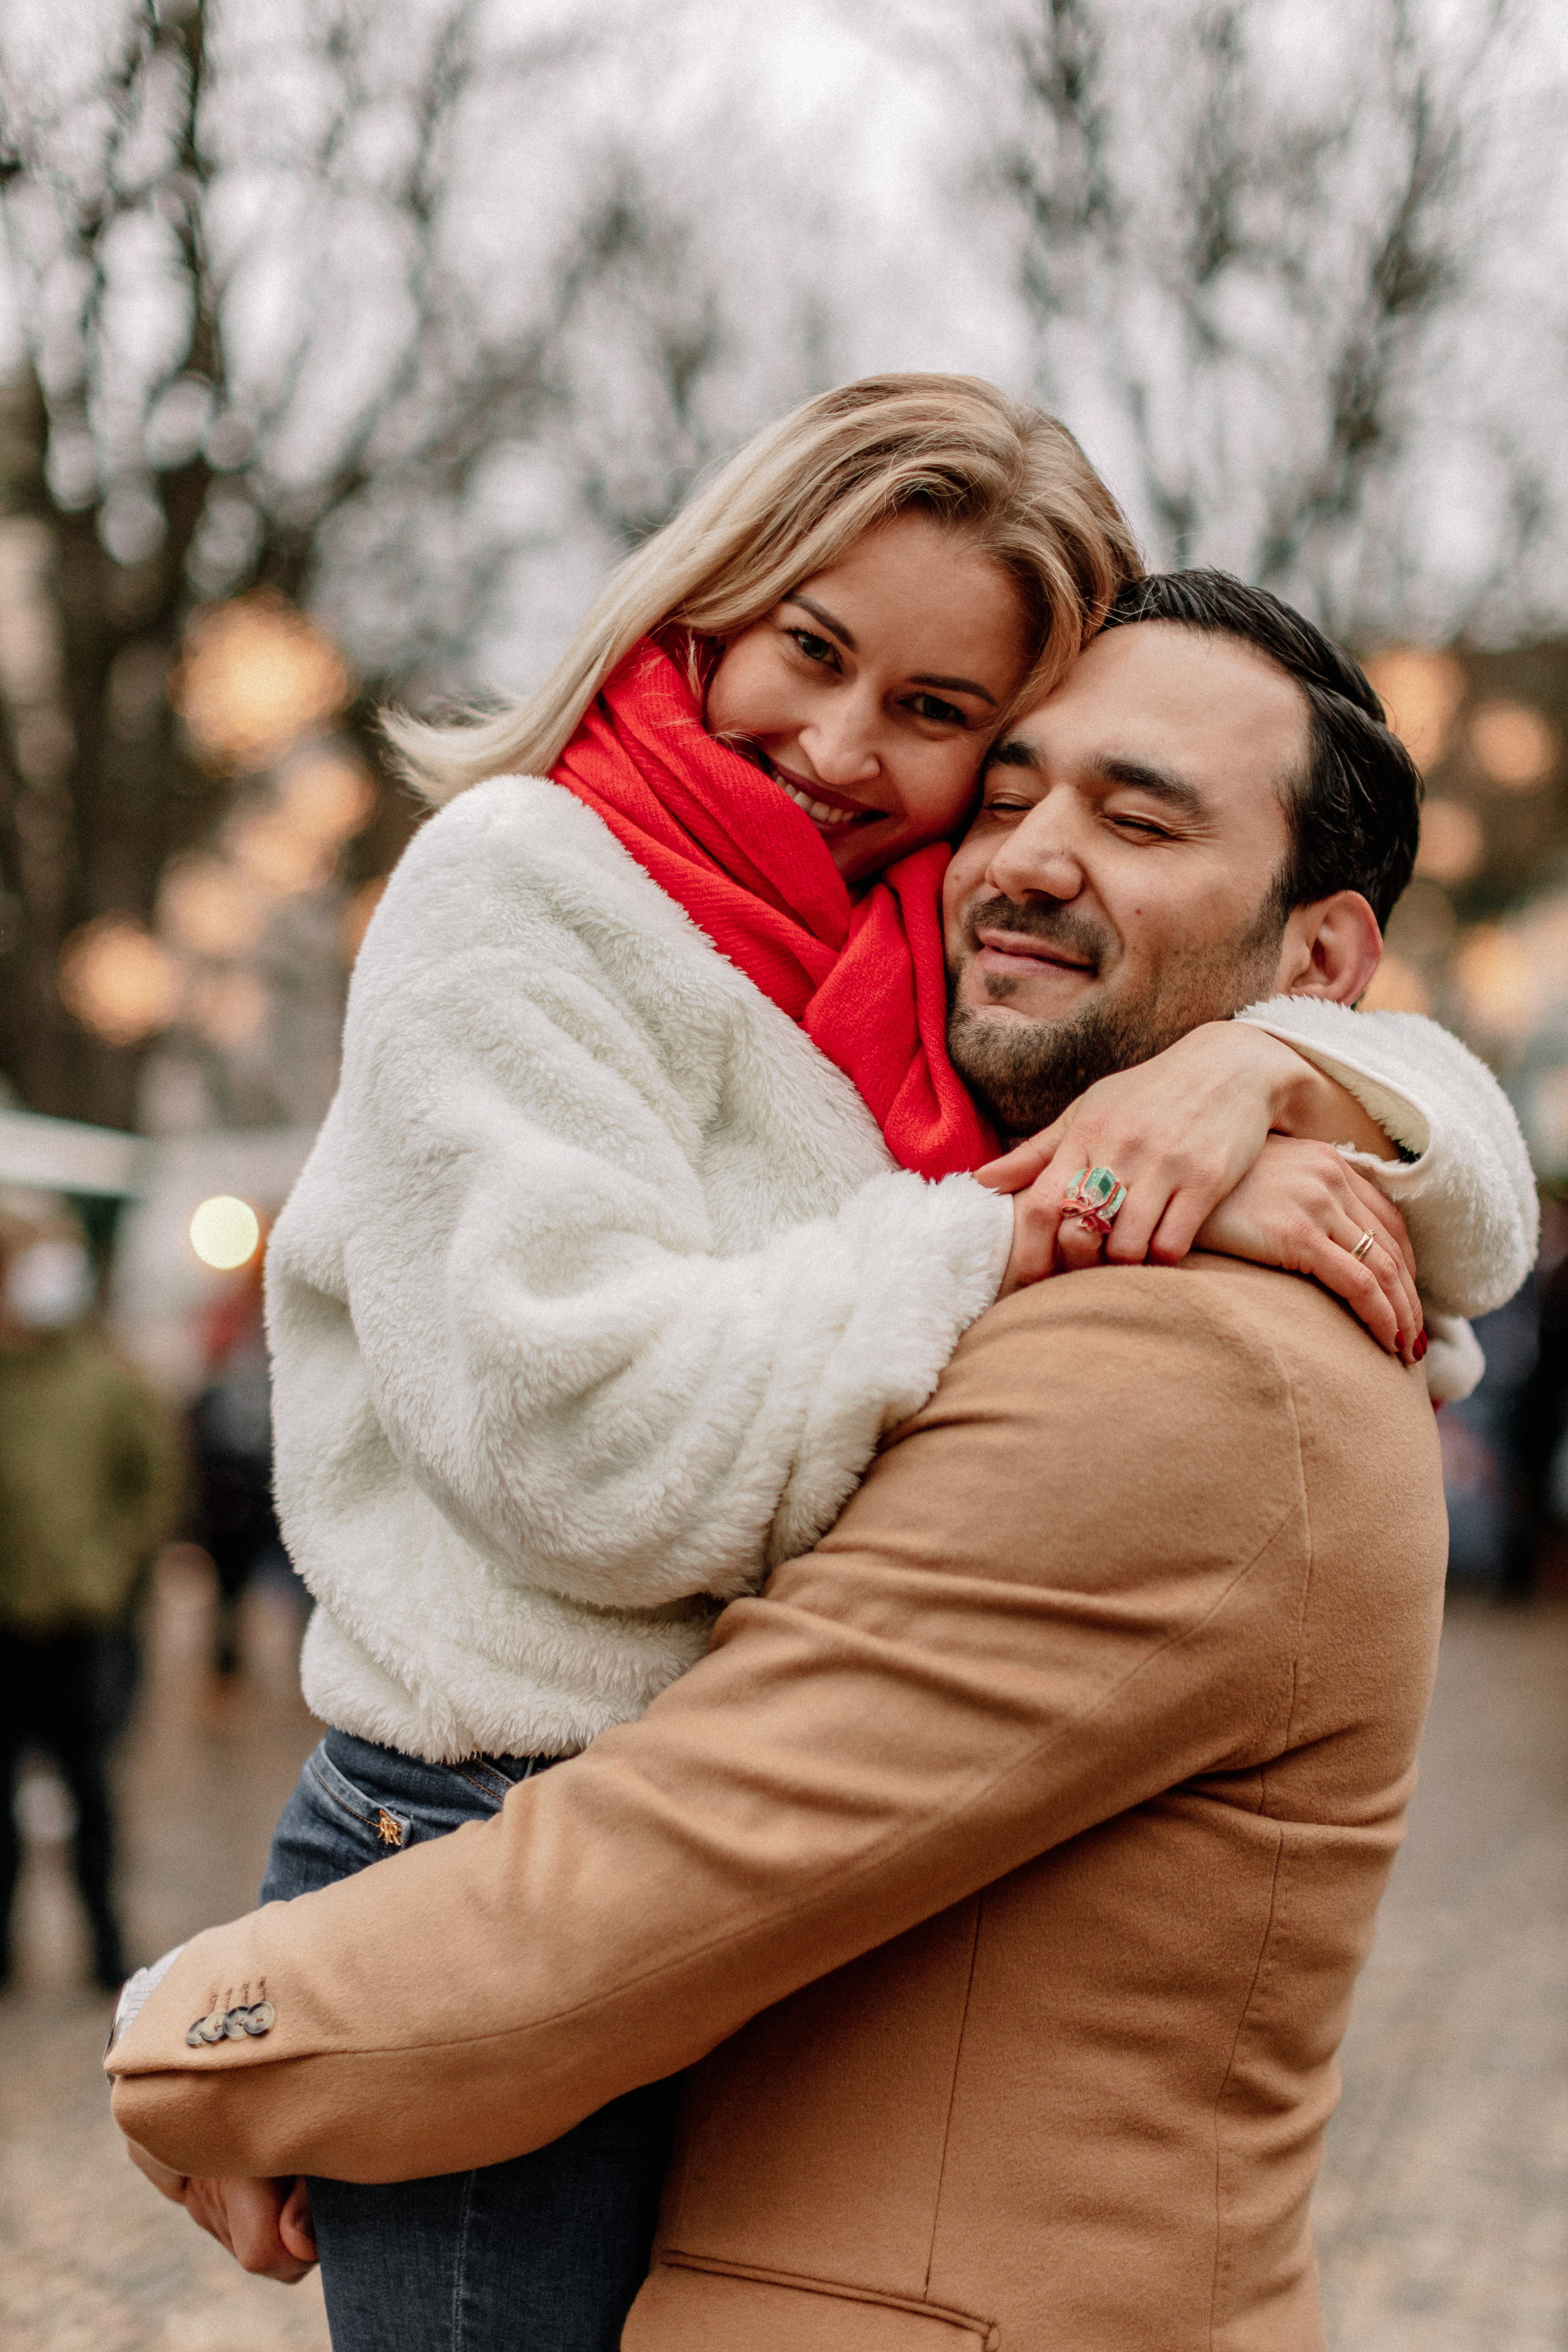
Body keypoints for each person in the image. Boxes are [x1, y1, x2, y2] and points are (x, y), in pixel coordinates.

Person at [111, 572, 1531, 2351]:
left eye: (1137, 817)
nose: (1026, 856)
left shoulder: (1185, 1365)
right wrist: (1263, 1082)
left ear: (1320, 962)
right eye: (1005, 791)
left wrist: (193, 2037)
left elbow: (658, 1873)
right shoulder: (1031, 1200)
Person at [0, 1210, 182, 1991]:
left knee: (91, 1792)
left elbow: (154, 1484)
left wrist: (108, 1570)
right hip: (5, 1624)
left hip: (81, 1624)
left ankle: (104, 1942)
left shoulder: (106, 1379)